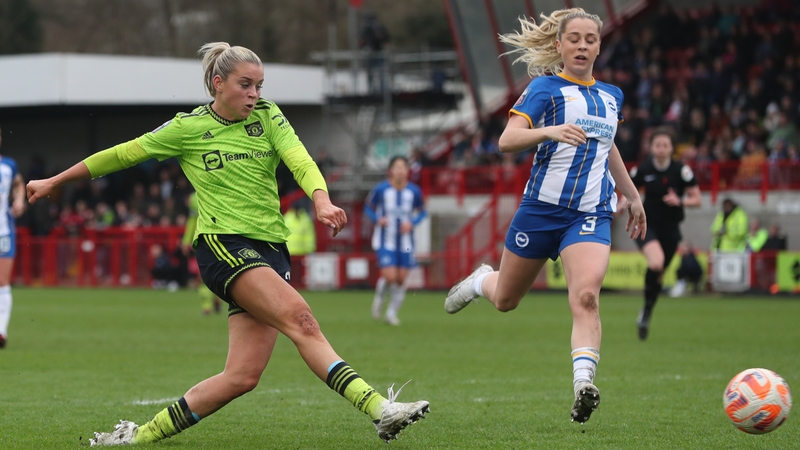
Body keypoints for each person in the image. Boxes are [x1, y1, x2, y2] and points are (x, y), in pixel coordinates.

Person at [26, 42, 429, 446]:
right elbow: (122, 155)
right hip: (224, 245)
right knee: (302, 320)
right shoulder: (187, 128)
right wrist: (54, 182)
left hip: (270, 249)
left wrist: (321, 198)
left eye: (259, 85)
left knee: (242, 376)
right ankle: (379, 408)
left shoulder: (269, 115)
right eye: (246, 85)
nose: (255, 94)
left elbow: (300, 160)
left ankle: (137, 437)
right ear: (218, 84)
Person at [443, 8, 646, 426]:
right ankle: (481, 281)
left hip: (589, 213)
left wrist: (632, 195)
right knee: (506, 301)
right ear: (559, 44)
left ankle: (583, 384)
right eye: (574, 38)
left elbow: (607, 147)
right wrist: (548, 131)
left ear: (599, 45)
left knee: (586, 296)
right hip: (540, 211)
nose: (582, 45)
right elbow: (506, 139)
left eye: (591, 39)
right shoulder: (545, 89)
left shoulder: (611, 96)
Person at [627, 128, 701, 340]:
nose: (660, 149)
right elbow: (630, 190)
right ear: (651, 147)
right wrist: (626, 203)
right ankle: (646, 312)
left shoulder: (681, 170)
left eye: (665, 145)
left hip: (671, 230)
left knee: (658, 275)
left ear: (672, 148)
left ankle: (646, 312)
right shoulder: (644, 168)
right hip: (647, 225)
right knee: (656, 263)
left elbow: (697, 198)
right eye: (657, 145)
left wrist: (681, 201)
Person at [365, 156, 427, 326]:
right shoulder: (381, 189)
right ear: (390, 170)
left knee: (400, 280)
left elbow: (423, 212)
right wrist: (378, 219)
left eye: (403, 167)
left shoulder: (414, 191)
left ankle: (391, 314)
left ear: (408, 171)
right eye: (397, 167)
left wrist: (412, 223)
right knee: (390, 277)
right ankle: (379, 298)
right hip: (385, 241)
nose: (400, 170)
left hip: (406, 242)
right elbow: (368, 208)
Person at [0, 126, 26, 349]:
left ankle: (1, 331)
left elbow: (19, 184)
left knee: (2, 282)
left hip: (3, 230)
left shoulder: (8, 165)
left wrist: (19, 200)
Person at [181, 191, 222, 314]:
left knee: (207, 275)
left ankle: (208, 304)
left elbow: (192, 221)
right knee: (208, 275)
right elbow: (192, 220)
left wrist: (186, 241)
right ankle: (209, 305)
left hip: (204, 239)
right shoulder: (217, 191)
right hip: (218, 239)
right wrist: (186, 240)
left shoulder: (194, 197)